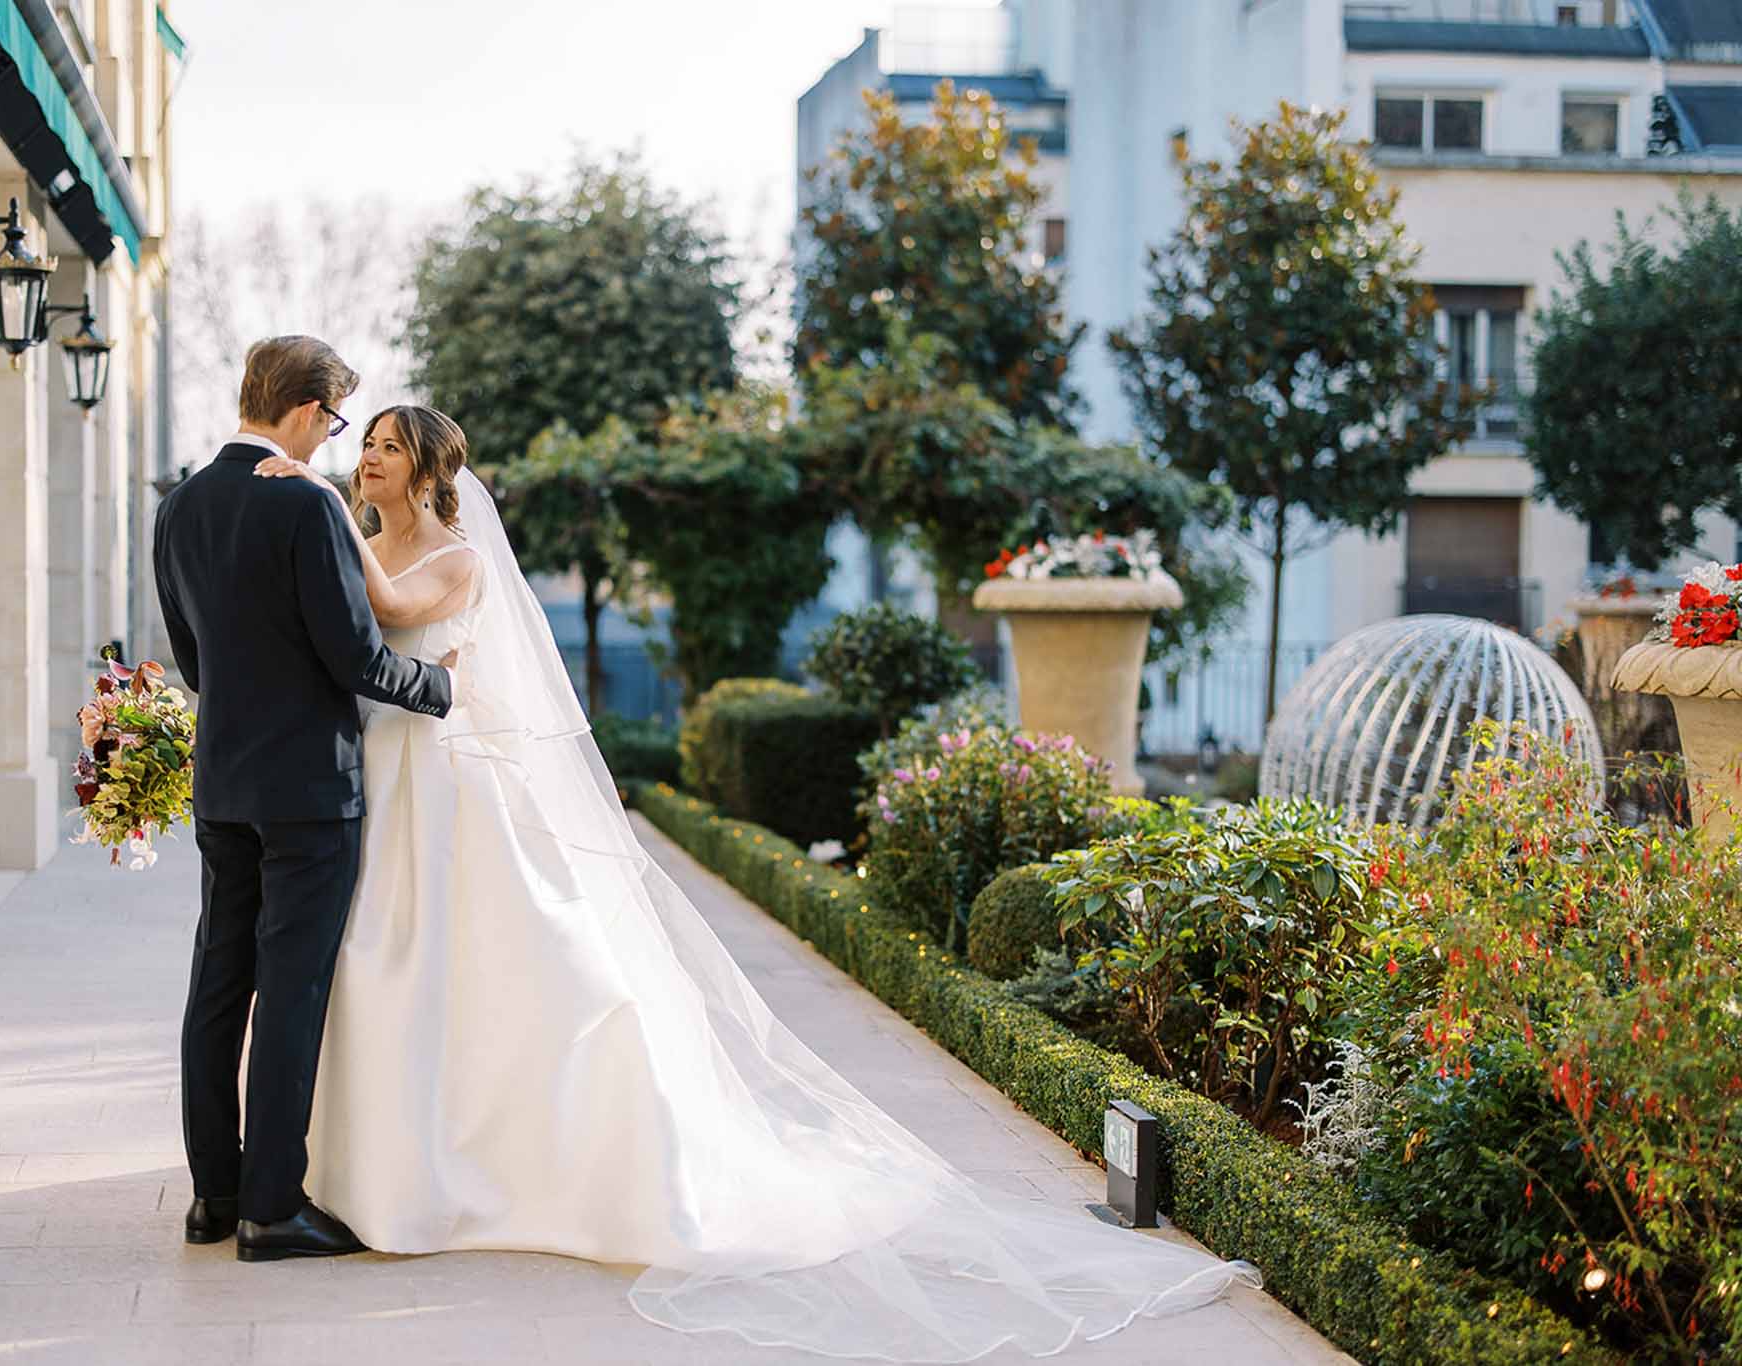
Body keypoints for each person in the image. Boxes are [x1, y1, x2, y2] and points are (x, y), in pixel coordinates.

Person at [244, 404, 1262, 1361]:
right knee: (384, 964)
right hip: (382, 771)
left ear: (426, 467)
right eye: (361, 443)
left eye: (384, 444)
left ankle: (515, 1164)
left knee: (506, 964)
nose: (366, 455)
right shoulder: (365, 538)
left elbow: (390, 609)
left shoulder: (450, 557)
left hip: (450, 783)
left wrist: (318, 502)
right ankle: (380, 1163)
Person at [150, 338, 459, 1263]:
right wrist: (441, 688)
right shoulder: (303, 502)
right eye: (334, 422)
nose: (333, 441)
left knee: (217, 983)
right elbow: (357, 658)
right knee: (292, 992)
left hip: (225, 782)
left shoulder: (179, 507)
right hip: (309, 795)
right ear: (305, 409)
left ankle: (213, 1195)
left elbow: (194, 664)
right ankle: (272, 1208)